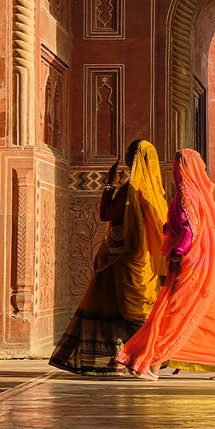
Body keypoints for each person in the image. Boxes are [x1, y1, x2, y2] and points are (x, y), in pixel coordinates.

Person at [115, 148, 215, 382]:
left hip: (189, 265)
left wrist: (177, 253)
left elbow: (190, 230)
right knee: (209, 313)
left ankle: (153, 362)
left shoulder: (187, 194)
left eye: (176, 165)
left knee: (172, 312)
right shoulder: (199, 194)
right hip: (203, 266)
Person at [49, 139, 168, 376]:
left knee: (119, 311)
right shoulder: (156, 194)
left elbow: (106, 214)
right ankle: (140, 358)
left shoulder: (129, 190)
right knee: (138, 311)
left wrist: (109, 185)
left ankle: (135, 359)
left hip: (119, 260)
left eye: (127, 154)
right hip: (145, 263)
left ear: (131, 159)